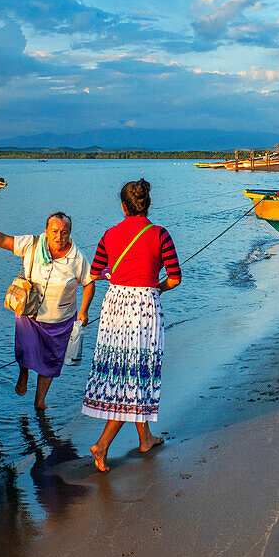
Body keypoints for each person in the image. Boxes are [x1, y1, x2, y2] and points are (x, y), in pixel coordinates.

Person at [83, 179, 181, 472]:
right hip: (143, 308)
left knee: (125, 372)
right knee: (137, 376)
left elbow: (95, 271)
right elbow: (175, 277)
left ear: (123, 206)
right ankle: (102, 445)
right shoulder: (160, 234)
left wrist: (116, 273)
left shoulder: (110, 234)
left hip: (115, 306)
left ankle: (145, 437)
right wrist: (157, 287)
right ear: (148, 204)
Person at [0, 211, 95, 410]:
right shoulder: (32, 244)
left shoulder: (77, 258)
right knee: (25, 348)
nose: (59, 237)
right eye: (54, 231)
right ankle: (23, 372)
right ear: (46, 231)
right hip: (29, 312)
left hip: (60, 319)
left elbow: (89, 282)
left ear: (70, 233)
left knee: (52, 361)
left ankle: (40, 400)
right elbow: (4, 240)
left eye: (64, 232)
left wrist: (83, 311)